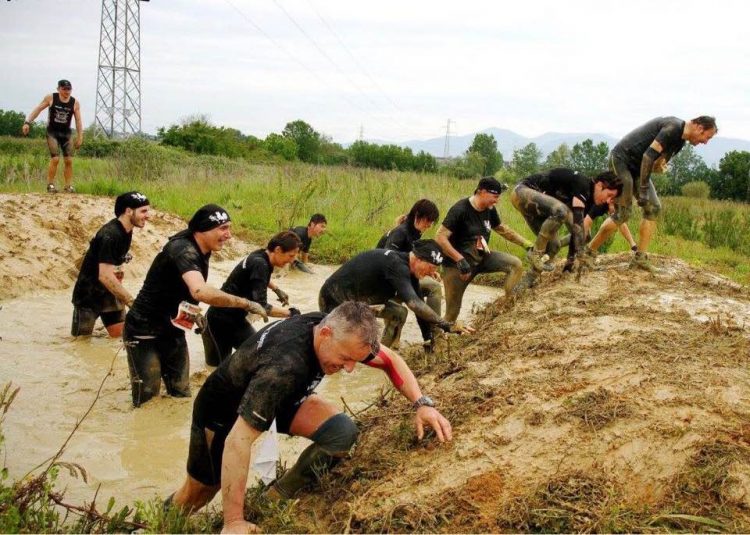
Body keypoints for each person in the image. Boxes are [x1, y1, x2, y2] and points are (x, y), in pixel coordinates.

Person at [168, 301, 453, 534]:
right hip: (222, 411)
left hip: (283, 398)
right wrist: (234, 522)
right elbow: (238, 441)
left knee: (341, 432)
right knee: (201, 491)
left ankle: (274, 498)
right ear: (326, 334)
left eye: (356, 360)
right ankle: (152, 527)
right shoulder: (284, 366)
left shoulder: (338, 330)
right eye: (345, 359)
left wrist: (422, 403)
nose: (351, 369)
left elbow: (390, 360)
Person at [123, 204, 267, 407]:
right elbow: (199, 290)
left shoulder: (202, 248)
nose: (229, 235)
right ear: (203, 229)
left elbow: (178, 289)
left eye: (229, 228)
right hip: (143, 331)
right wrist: (245, 303)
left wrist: (192, 313)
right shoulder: (183, 249)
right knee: (147, 402)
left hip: (173, 330)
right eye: (223, 228)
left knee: (181, 396)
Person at [586, 116, 717, 271]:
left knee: (653, 208)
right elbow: (648, 156)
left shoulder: (680, 141)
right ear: (700, 128)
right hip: (621, 161)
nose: (705, 142)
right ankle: (588, 254)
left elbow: (654, 162)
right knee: (623, 212)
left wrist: (659, 166)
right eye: (706, 137)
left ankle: (640, 259)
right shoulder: (673, 128)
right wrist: (642, 190)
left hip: (638, 168)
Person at [319, 240, 471, 349]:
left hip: (360, 303)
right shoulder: (397, 265)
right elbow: (415, 305)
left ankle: (375, 356)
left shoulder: (410, 271)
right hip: (334, 299)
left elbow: (419, 306)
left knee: (399, 313)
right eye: (431, 267)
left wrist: (428, 341)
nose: (432, 273)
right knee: (335, 345)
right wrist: (446, 325)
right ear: (418, 259)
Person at [436, 177, 531, 322]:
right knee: (451, 314)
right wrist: (459, 260)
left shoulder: (489, 210)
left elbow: (501, 228)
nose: (496, 201)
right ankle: (435, 341)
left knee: (515, 264)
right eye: (494, 197)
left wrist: (526, 244)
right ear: (482, 192)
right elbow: (440, 237)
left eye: (498, 197)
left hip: (481, 258)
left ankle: (508, 306)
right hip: (457, 267)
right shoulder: (460, 209)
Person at [201, 231, 303, 367]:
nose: (292, 260)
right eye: (290, 255)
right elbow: (261, 307)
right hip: (218, 323)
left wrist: (276, 288)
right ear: (278, 250)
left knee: (260, 355)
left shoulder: (261, 255)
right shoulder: (260, 264)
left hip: (237, 321)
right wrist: (291, 314)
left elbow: (255, 277)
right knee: (217, 369)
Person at [510, 169, 622, 279]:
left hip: (536, 212)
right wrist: (581, 253)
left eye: (612, 198)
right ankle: (535, 254)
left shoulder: (588, 203)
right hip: (522, 192)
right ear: (600, 185)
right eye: (609, 195)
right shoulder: (584, 184)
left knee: (554, 245)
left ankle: (527, 282)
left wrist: (569, 264)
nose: (608, 201)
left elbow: (576, 230)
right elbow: (577, 225)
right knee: (562, 211)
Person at [71, 191, 151, 338]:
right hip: (88, 295)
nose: (148, 216)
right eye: (143, 211)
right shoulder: (110, 235)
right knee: (81, 342)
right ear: (128, 211)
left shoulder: (127, 230)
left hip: (110, 293)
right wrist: (131, 302)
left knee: (122, 337)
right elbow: (104, 276)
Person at [376, 199, 443, 321]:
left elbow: (413, 260)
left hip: (399, 276)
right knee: (433, 287)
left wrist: (427, 270)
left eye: (432, 222)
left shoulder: (415, 232)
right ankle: (435, 332)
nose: (429, 225)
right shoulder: (401, 233)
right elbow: (388, 262)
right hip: (385, 282)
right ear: (417, 215)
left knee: (433, 287)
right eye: (428, 220)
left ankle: (433, 333)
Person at [22, 79, 83, 194]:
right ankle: (50, 185)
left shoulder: (75, 103)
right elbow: (38, 109)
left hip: (66, 134)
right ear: (58, 89)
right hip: (52, 133)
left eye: (69, 89)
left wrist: (80, 137)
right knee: (55, 159)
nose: (67, 91)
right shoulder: (51, 98)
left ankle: (68, 186)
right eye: (64, 89)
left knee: (69, 160)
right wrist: (27, 122)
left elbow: (78, 121)